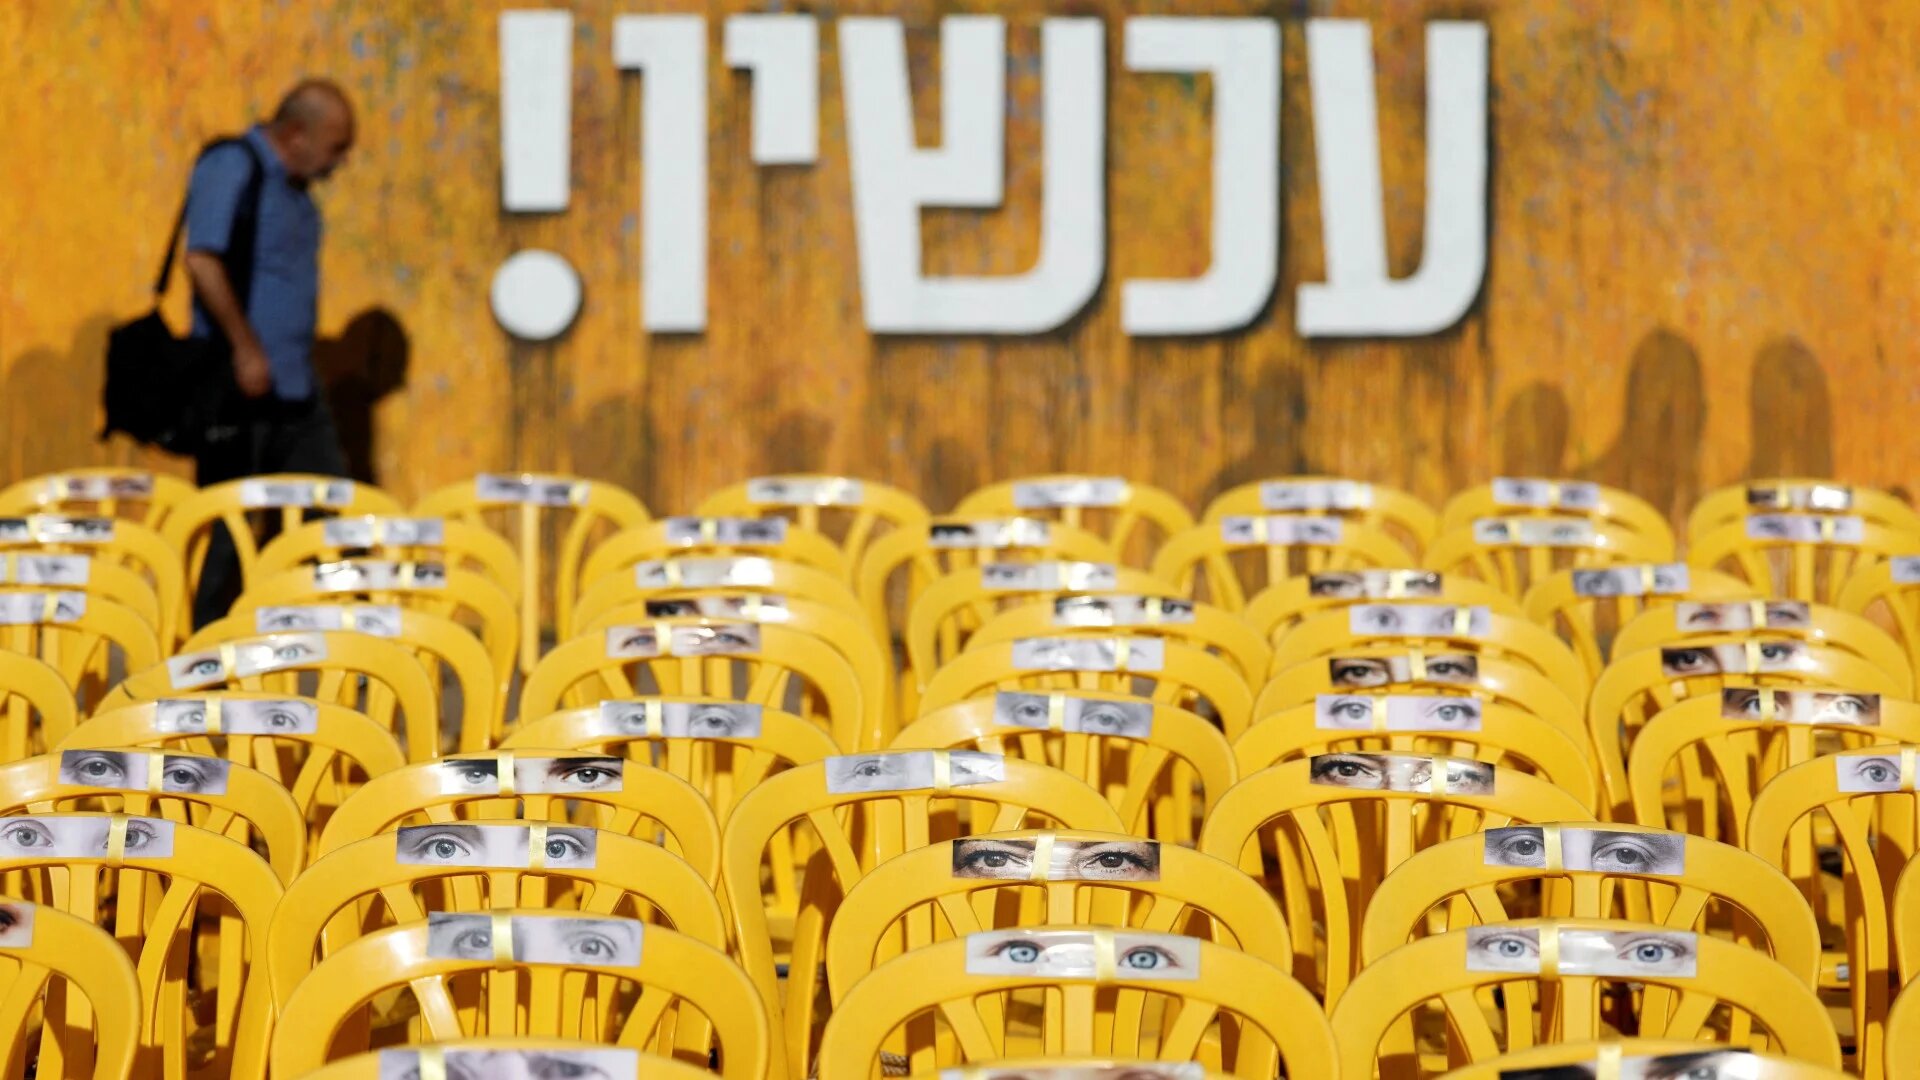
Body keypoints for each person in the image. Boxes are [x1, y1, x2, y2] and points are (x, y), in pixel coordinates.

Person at [184, 79, 356, 627]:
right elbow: (202, 260)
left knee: (332, 516)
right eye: (336, 147)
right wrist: (245, 348)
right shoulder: (234, 166)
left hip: (295, 389)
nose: (340, 162)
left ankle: (353, 641)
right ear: (297, 134)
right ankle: (205, 660)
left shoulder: (296, 190)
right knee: (232, 533)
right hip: (241, 389)